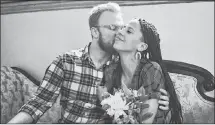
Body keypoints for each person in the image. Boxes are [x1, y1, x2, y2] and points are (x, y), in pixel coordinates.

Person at [8, 2, 170, 124]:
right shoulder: (66, 62)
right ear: (94, 31)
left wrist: (159, 104)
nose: (118, 32)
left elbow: (144, 110)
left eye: (121, 28)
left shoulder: (121, 67)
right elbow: (38, 103)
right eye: (112, 27)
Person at [99, 18, 183, 123]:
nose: (120, 32)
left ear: (142, 46)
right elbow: (105, 112)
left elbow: (145, 121)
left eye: (129, 31)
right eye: (122, 28)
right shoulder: (111, 70)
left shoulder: (150, 69)